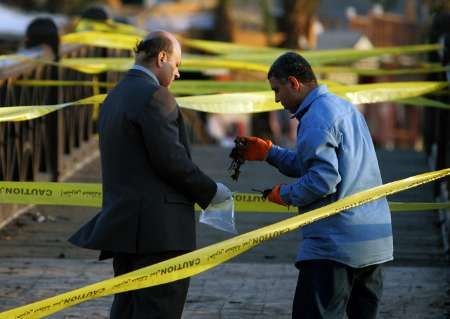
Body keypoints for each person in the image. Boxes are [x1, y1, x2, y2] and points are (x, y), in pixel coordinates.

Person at [69, 30, 232, 319]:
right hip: (159, 235)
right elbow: (172, 161)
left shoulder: (114, 96)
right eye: (177, 64)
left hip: (123, 228)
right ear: (161, 58)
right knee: (159, 309)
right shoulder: (157, 96)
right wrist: (213, 193)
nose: (178, 73)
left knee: (127, 309)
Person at [237, 52, 393, 319]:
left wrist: (284, 195)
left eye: (277, 90)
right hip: (374, 242)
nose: (276, 99)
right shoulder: (343, 107)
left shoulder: (315, 119)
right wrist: (270, 153)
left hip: (335, 247)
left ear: (294, 83)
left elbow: (323, 179)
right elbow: (317, 164)